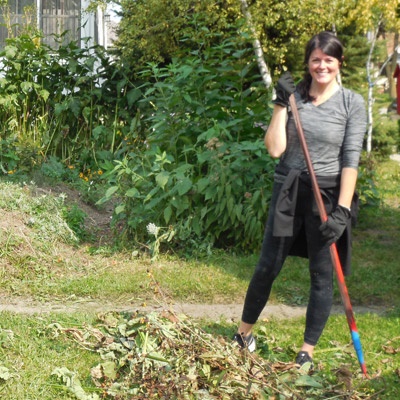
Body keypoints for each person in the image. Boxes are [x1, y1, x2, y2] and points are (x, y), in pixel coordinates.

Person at [233, 31, 367, 368]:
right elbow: (275, 149)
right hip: (289, 190)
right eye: (316, 60)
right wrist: (280, 105)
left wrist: (344, 211)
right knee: (267, 266)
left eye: (329, 60)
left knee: (322, 276)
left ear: (340, 63)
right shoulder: (294, 99)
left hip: (328, 197)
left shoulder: (352, 103)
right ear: (308, 63)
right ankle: (243, 334)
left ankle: (307, 351)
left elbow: (351, 161)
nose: (322, 66)